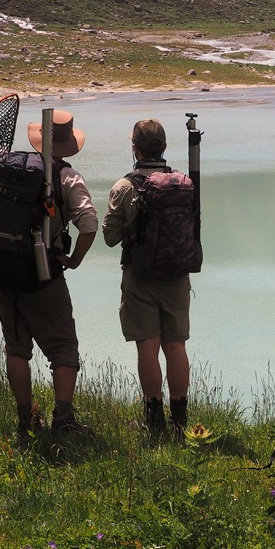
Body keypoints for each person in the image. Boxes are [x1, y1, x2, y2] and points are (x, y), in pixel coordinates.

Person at [0, 111, 97, 437]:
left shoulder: (9, 165)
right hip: (43, 274)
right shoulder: (68, 178)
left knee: (16, 348)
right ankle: (63, 420)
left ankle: (25, 420)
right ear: (68, 143)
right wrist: (74, 260)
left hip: (1, 269)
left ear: (38, 139)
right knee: (63, 348)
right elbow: (89, 224)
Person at [102, 119, 192, 437]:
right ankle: (180, 422)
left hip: (140, 276)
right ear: (164, 147)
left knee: (148, 347)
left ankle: (154, 422)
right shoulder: (183, 183)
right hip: (177, 275)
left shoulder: (124, 187)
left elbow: (110, 238)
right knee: (176, 345)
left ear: (135, 148)